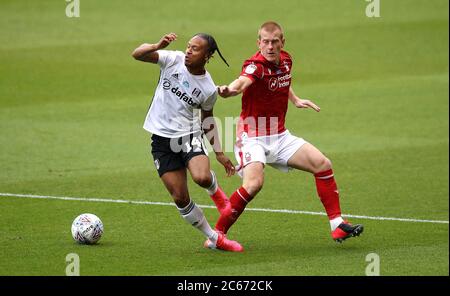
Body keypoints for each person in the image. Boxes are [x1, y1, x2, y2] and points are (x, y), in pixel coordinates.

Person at [215, 21, 364, 244]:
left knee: (322, 164)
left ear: (282, 42)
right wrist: (228, 91)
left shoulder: (286, 60)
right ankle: (217, 234)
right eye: (265, 42)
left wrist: (295, 99)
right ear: (259, 43)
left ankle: (337, 226)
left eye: (275, 41)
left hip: (280, 135)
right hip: (253, 136)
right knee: (253, 184)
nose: (270, 46)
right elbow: (241, 83)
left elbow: (283, 80)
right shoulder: (255, 66)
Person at [132, 32, 243, 252]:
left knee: (201, 177)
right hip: (161, 141)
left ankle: (216, 192)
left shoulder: (208, 88)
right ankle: (215, 238)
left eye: (195, 48)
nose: (188, 51)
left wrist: (219, 153)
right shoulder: (172, 59)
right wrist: (157, 44)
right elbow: (137, 55)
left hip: (188, 136)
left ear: (208, 55)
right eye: (188, 46)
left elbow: (207, 119)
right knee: (180, 197)